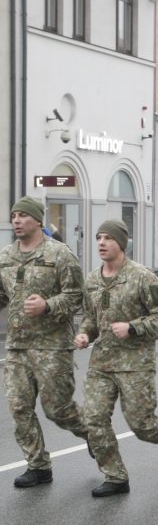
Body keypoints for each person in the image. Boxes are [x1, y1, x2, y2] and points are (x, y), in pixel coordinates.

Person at [75, 220, 158, 497]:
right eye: (98, 237)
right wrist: (85, 334)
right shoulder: (91, 279)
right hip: (102, 364)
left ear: (121, 243)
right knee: (93, 420)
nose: (101, 243)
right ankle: (115, 476)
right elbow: (91, 317)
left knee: (142, 425)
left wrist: (133, 327)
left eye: (108, 238)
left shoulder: (142, 277)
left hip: (135, 364)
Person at [0, 197, 90, 488]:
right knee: (19, 407)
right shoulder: (5, 257)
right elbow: (4, 296)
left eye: (23, 216)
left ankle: (93, 433)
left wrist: (48, 306)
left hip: (53, 346)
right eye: (13, 215)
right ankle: (38, 466)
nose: (16, 220)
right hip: (17, 347)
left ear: (38, 220)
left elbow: (77, 296)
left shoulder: (59, 254)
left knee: (58, 410)